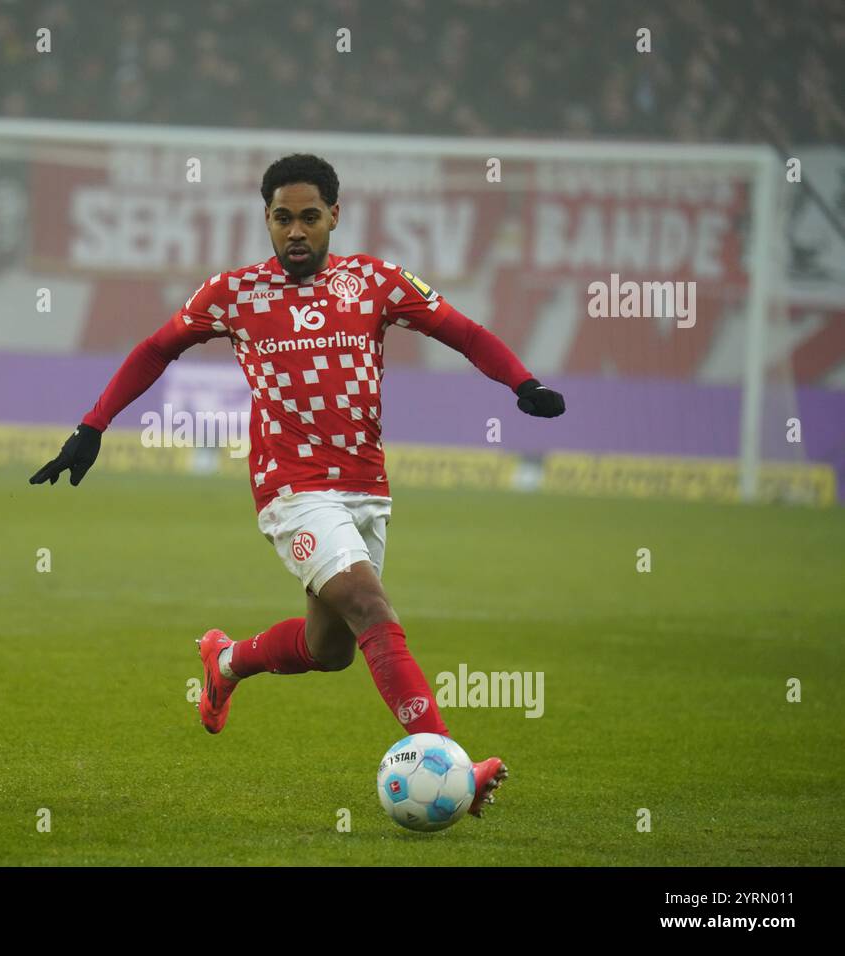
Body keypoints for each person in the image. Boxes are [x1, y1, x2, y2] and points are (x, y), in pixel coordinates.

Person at [30, 154, 565, 818]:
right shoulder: (233, 293)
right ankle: (449, 763)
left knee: (330, 648)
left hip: (366, 488)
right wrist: (93, 425)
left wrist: (523, 384)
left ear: (335, 216)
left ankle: (225, 663)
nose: (296, 232)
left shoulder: (375, 281)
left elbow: (464, 332)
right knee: (371, 605)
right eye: (282, 219)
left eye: (310, 217)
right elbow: (153, 349)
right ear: (267, 220)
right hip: (291, 488)